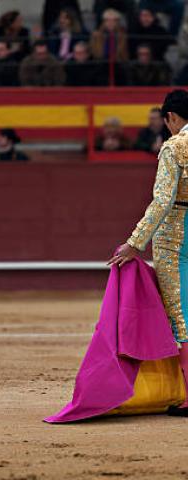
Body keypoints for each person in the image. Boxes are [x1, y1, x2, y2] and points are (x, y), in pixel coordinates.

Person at [108, 89, 188, 417]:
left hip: (176, 238)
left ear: (171, 117)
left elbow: (163, 201)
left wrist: (135, 242)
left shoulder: (175, 146)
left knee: (181, 313)